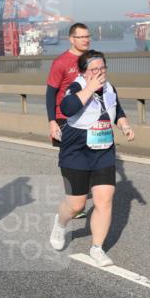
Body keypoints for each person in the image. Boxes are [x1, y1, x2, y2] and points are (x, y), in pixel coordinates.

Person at [49, 50, 135, 266]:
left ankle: (97, 248)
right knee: (76, 205)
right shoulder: (76, 86)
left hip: (103, 150)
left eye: (102, 68)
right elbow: (67, 108)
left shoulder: (109, 88)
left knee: (104, 200)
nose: (99, 73)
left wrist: (124, 125)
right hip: (76, 151)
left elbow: (117, 109)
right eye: (94, 69)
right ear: (83, 72)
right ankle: (60, 223)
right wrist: (89, 88)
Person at [45, 23, 92, 218]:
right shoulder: (61, 62)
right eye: (81, 37)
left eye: (88, 36)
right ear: (72, 39)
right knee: (71, 158)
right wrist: (52, 121)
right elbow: (51, 93)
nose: (86, 40)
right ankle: (73, 199)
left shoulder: (92, 60)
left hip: (88, 117)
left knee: (89, 156)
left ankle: (78, 195)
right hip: (64, 117)